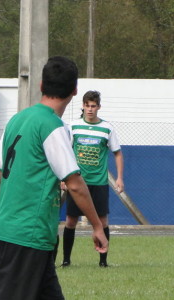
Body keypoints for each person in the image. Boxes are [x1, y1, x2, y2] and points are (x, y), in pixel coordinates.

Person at [0, 56, 109, 300]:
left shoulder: (17, 120)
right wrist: (97, 225)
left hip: (16, 234)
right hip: (27, 236)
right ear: (74, 91)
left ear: (41, 85)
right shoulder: (53, 127)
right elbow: (75, 185)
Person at [61, 90, 124, 268]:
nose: (90, 109)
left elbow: (118, 153)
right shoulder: (73, 127)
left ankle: (103, 262)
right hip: (77, 183)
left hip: (99, 183)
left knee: (102, 221)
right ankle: (66, 260)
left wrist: (119, 178)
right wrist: (63, 178)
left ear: (98, 107)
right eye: (87, 105)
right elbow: (65, 153)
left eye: (93, 106)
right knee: (70, 221)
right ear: (82, 106)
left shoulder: (107, 128)